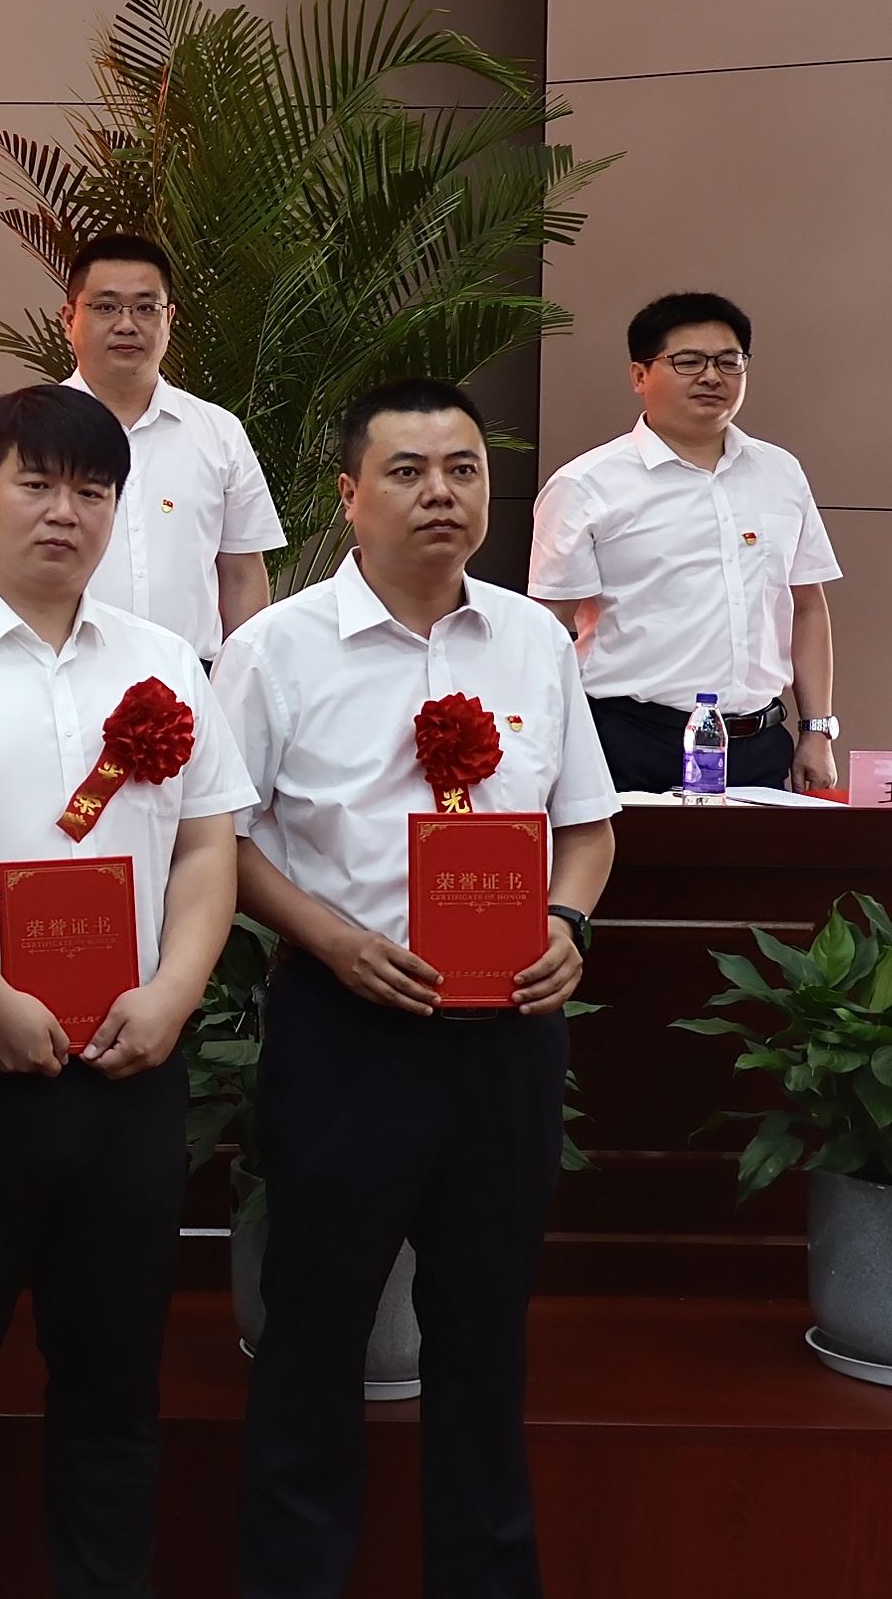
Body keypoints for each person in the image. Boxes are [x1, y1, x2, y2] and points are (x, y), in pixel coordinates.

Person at [0, 387, 253, 1599]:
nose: (64, 512)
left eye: (91, 491)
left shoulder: (165, 662)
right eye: (36, 483)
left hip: (129, 1069)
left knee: (115, 1386)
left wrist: (175, 991)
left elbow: (207, 848)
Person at [213, 378, 616, 1599]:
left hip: (507, 1035)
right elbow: (222, 842)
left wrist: (566, 921)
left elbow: (587, 826)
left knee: (485, 1345)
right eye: (408, 470)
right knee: (315, 1337)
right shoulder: (276, 648)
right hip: (349, 1031)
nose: (441, 492)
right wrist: (333, 942)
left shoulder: (535, 641)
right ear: (349, 494)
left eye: (463, 469)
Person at [530, 291, 843, 795]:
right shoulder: (586, 485)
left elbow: (806, 607)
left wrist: (817, 730)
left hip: (758, 744)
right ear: (640, 375)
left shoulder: (780, 472)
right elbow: (548, 628)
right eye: (688, 361)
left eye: (728, 361)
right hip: (630, 739)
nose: (712, 377)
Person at [0, 235, 283, 660]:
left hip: (189, 677)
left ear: (169, 318)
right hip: (52, 670)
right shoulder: (22, 434)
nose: (127, 325)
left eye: (146, 308)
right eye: (106, 307)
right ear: (68, 318)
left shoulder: (219, 432)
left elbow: (241, 575)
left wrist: (242, 680)